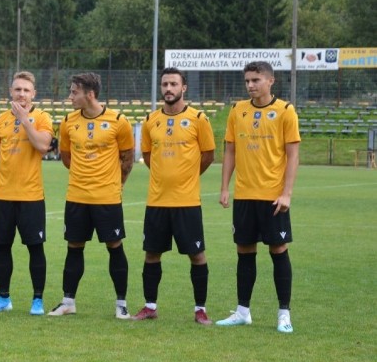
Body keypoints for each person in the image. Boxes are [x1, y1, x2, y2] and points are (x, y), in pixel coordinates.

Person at [218, 61, 300, 333]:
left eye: (256, 80)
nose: (251, 85)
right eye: (247, 81)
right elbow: (230, 151)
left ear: (270, 81)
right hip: (244, 196)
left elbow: (292, 155)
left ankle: (284, 314)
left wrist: (286, 193)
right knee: (244, 251)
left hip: (273, 197)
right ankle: (242, 311)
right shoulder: (237, 111)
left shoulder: (285, 111)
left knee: (278, 250)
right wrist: (224, 188)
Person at [132, 68, 215, 324]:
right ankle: (150, 306)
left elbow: (208, 155)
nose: (168, 88)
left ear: (184, 88)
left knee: (197, 255)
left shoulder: (199, 119)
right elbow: (148, 156)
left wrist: (187, 177)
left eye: (173, 84)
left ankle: (200, 309)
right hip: (157, 201)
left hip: (187, 202)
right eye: (165, 84)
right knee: (151, 254)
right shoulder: (150, 120)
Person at [48, 72, 134, 318]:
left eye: (74, 92)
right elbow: (66, 157)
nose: (70, 96)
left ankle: (121, 305)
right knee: (74, 247)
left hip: (107, 198)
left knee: (114, 247)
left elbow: (127, 159)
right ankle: (68, 302)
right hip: (76, 196)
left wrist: (115, 184)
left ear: (90, 94)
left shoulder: (118, 121)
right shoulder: (68, 121)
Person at [0, 71, 53, 315]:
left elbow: (43, 146)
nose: (21, 94)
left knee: (36, 248)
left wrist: (25, 120)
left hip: (31, 196)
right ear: (10, 92)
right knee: (2, 247)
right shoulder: (0, 120)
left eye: (26, 90)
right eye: (17, 90)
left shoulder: (42, 117)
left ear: (34, 94)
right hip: (4, 195)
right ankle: (3, 297)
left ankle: (37, 300)